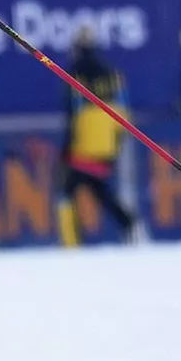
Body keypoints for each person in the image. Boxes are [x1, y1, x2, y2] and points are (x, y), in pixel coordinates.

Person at [57, 26, 139, 245]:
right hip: (109, 137)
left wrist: (67, 148)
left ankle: (71, 243)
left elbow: (73, 111)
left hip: (85, 138)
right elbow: (123, 108)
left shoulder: (74, 73)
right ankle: (129, 224)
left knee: (66, 191)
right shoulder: (113, 73)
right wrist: (117, 142)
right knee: (97, 186)